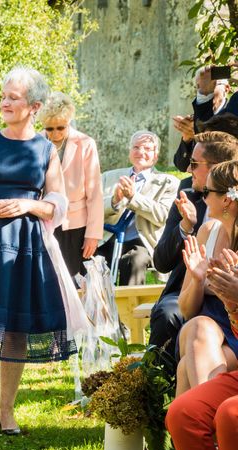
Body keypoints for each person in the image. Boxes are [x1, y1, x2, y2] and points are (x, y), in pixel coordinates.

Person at [0, 66, 81, 436]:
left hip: (27, 246)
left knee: (16, 331)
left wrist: (29, 206)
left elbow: (59, 203)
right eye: (4, 96)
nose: (5, 102)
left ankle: (6, 413)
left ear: (34, 106)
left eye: (14, 97)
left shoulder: (45, 150)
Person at [150, 132, 238, 366]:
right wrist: (185, 226)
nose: (188, 169)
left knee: (193, 354)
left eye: (195, 163)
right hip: (185, 290)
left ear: (218, 168)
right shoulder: (186, 196)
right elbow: (161, 262)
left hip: (226, 315)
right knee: (169, 314)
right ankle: (157, 383)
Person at [176, 160, 238, 398]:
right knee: (199, 325)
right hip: (204, 325)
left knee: (185, 369)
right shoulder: (206, 232)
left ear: (227, 199)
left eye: (207, 192)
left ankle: (200, 424)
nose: (202, 197)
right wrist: (198, 280)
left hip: (235, 330)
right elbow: (186, 309)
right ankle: (207, 414)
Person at [97, 131, 179, 285]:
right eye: (136, 147)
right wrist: (114, 201)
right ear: (130, 151)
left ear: (156, 154)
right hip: (107, 238)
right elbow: (94, 211)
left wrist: (134, 198)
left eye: (147, 149)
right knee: (95, 262)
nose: (141, 152)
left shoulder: (168, 182)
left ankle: (131, 307)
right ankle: (97, 308)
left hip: (142, 241)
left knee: (134, 260)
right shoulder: (109, 177)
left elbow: (163, 216)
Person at [38, 92, 103, 278]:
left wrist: (93, 234)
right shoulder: (36, 142)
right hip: (45, 222)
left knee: (78, 282)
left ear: (69, 121)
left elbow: (95, 193)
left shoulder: (86, 144)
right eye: (49, 129)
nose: (55, 134)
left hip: (77, 226)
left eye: (61, 127)